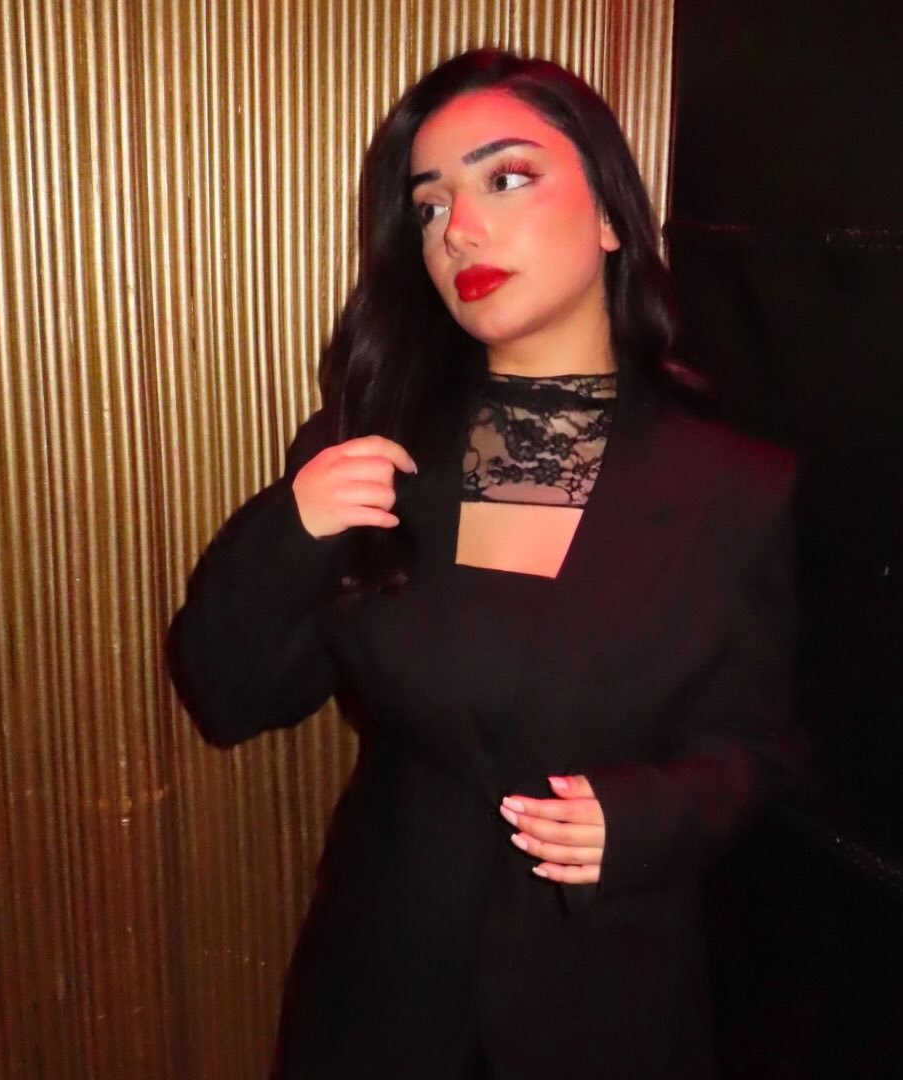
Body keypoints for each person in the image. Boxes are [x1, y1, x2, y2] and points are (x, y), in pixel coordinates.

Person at [167, 48, 800, 1080]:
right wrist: (291, 526)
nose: (459, 228)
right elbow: (228, 693)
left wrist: (640, 822)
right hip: (381, 998)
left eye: (507, 178)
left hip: (605, 1005)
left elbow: (753, 747)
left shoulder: (735, 487)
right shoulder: (372, 449)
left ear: (611, 217)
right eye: (429, 206)